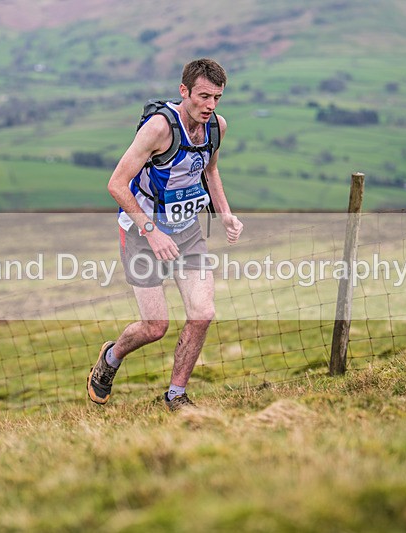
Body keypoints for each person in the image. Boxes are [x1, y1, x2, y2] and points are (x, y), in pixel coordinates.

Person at [87, 58, 243, 411]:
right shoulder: (158, 129)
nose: (210, 105)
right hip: (142, 233)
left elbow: (211, 170)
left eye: (217, 97)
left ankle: (176, 395)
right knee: (155, 326)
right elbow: (116, 184)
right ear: (184, 91)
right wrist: (152, 231)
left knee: (202, 313)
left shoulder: (217, 127)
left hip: (187, 231)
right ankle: (111, 357)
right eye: (203, 96)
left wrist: (225, 213)